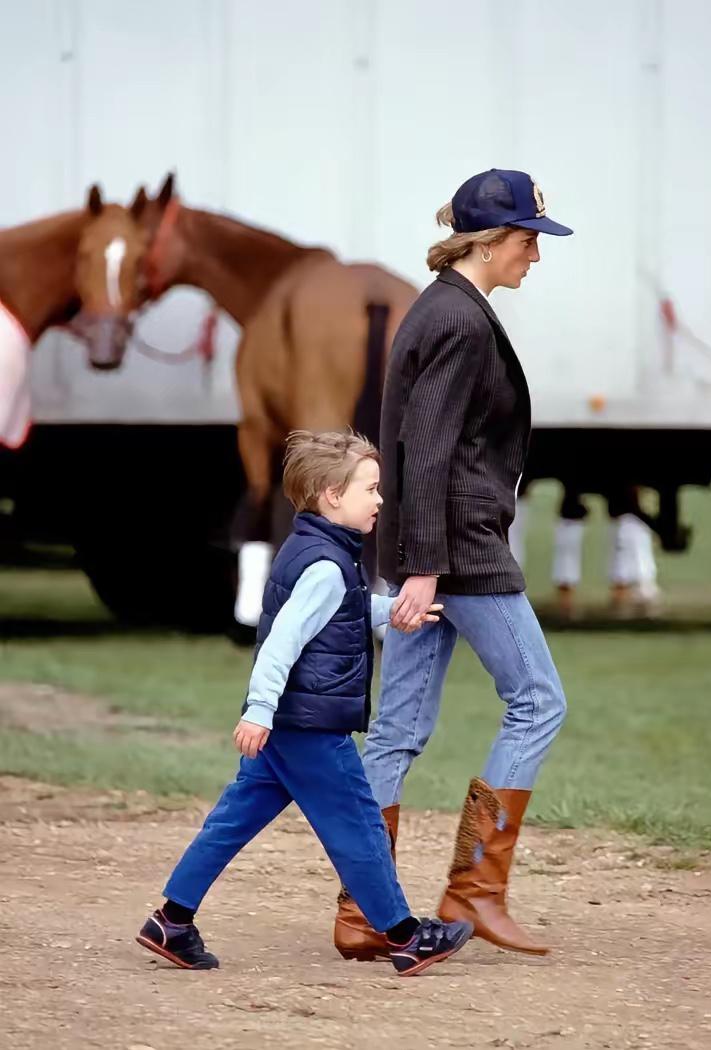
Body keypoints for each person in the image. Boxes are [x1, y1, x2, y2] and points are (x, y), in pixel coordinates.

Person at [335, 169, 572, 960]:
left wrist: (410, 562)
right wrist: (428, 568)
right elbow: (427, 454)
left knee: (397, 732)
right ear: (495, 240)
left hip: (427, 549)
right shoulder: (460, 322)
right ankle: (475, 890)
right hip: (460, 551)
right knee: (538, 701)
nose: (536, 257)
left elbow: (418, 449)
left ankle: (365, 914)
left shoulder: (443, 309)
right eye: (531, 241)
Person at [136, 429, 472, 977]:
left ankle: (172, 919)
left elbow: (332, 619)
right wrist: (258, 709)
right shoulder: (325, 566)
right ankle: (407, 936)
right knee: (359, 823)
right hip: (309, 728)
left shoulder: (313, 551)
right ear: (332, 495)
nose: (380, 500)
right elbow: (283, 641)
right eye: (371, 488)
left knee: (232, 820)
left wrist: (391, 612)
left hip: (291, 727)